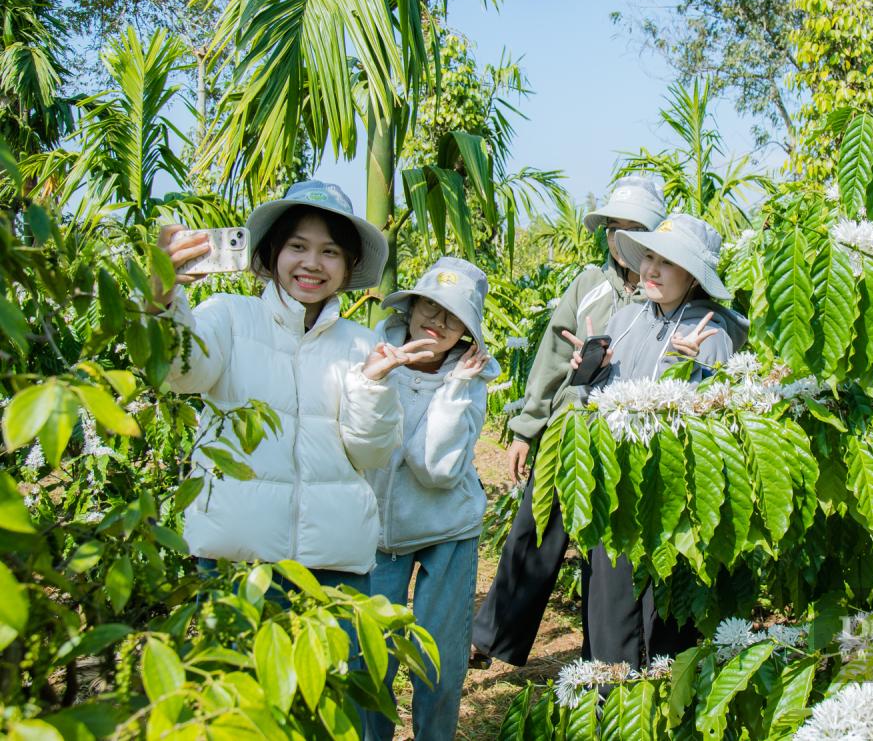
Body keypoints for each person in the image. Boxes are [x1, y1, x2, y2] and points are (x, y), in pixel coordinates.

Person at [154, 180, 418, 591]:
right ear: (273, 252)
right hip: (236, 561)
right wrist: (161, 300)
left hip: (334, 566)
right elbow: (181, 372)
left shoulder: (362, 345)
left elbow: (371, 453)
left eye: (330, 251)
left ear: (348, 265)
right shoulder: (229, 317)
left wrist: (370, 383)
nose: (312, 263)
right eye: (298, 246)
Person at [470, 176, 667, 669]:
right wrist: (525, 429)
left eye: (636, 230)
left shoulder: (661, 292)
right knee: (535, 531)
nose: (622, 240)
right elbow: (553, 358)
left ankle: (605, 662)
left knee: (607, 553)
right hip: (569, 429)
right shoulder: (588, 285)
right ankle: (491, 637)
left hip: (624, 442)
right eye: (614, 229)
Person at [566, 212, 748, 668]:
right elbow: (599, 400)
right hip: (614, 488)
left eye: (668, 262)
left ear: (693, 277)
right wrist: (590, 372)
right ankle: (606, 698)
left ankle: (660, 697)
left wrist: (698, 368)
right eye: (649, 257)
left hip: (667, 496)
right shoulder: (626, 319)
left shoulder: (709, 330)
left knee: (661, 621)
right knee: (607, 610)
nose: (651, 269)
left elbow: (715, 421)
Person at [361, 258, 499, 741]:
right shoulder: (370, 355)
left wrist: (454, 388)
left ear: (467, 330)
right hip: (377, 533)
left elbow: (437, 469)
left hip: (447, 527)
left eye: (454, 316)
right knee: (370, 660)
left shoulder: (470, 379)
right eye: (430, 306)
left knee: (437, 661)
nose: (438, 322)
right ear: (412, 305)